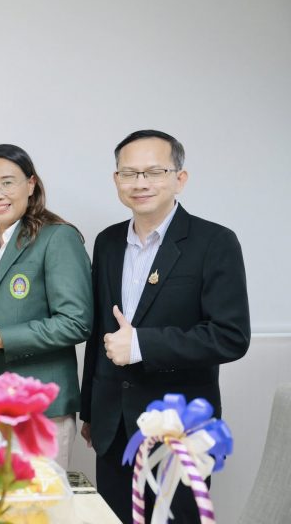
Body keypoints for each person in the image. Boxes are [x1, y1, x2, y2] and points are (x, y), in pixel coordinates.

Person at [80, 130, 250, 523]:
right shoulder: (107, 242)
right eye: (129, 173)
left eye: (154, 172)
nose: (140, 183)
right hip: (113, 426)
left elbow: (231, 336)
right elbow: (99, 332)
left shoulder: (214, 242)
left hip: (179, 429)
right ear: (116, 180)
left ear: (180, 178)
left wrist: (142, 345)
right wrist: (90, 410)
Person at [0, 144, 93, 469]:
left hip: (37, 409)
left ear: (31, 184)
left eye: (7, 182)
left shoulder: (57, 238)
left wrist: (0, 338)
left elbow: (76, 322)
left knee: (37, 501)